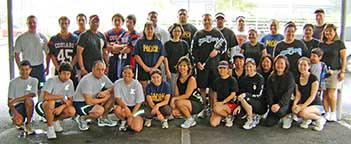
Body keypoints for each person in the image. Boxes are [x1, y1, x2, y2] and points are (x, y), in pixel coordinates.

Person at [192, 13, 226, 116]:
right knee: (202, 88)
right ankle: (204, 108)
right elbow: (193, 50)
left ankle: (212, 108)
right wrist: (197, 62)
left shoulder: (218, 33)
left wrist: (217, 51)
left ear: (212, 21)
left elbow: (224, 46)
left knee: (213, 88)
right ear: (202, 22)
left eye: (209, 20)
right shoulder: (198, 34)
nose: (207, 22)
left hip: (214, 66)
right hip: (202, 67)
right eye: (205, 20)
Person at [35, 63, 76, 139]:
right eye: (64, 73)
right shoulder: (52, 80)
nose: (66, 76)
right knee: (51, 101)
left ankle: (54, 120)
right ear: (59, 73)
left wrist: (61, 107)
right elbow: (46, 96)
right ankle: (50, 128)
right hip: (43, 105)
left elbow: (70, 100)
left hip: (58, 104)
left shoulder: (70, 82)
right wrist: (61, 97)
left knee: (71, 111)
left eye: (68, 74)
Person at [73, 61, 117, 131]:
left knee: (113, 94)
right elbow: (89, 101)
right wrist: (104, 99)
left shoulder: (103, 77)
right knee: (100, 110)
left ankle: (103, 119)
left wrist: (106, 92)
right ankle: (82, 118)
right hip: (81, 103)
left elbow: (114, 87)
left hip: (93, 99)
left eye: (102, 69)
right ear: (93, 69)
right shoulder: (87, 80)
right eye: (98, 69)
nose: (100, 72)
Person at [319, 24, 347, 122]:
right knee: (324, 93)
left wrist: (342, 71)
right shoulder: (321, 44)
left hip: (335, 71)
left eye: (330, 31)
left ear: (335, 32)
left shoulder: (339, 44)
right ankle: (326, 113)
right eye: (326, 31)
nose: (328, 33)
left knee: (331, 93)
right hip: (323, 72)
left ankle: (333, 113)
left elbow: (343, 59)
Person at [15, 15, 49, 90]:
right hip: (27, 68)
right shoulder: (21, 38)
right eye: (30, 23)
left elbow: (47, 53)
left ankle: (40, 102)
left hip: (40, 68)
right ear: (27, 24)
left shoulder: (42, 37)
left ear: (37, 23)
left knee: (42, 87)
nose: (32, 24)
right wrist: (20, 67)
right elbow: (17, 55)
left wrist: (47, 67)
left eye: (34, 22)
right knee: (28, 90)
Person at [292, 57, 326, 131]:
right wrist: (294, 104)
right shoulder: (297, 79)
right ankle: (308, 119)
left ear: (309, 66)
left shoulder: (313, 78)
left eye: (305, 65)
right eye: (300, 65)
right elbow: (298, 95)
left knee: (302, 113)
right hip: (305, 104)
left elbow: (312, 96)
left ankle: (320, 119)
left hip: (316, 105)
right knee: (295, 110)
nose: (302, 67)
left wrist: (302, 107)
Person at [133, 21, 166, 91]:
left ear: (154, 30)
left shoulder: (158, 42)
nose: (149, 30)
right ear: (144, 30)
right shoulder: (139, 42)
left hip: (156, 69)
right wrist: (145, 67)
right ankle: (144, 101)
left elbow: (162, 56)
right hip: (143, 69)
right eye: (147, 29)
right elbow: (136, 55)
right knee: (143, 89)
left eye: (151, 29)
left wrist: (155, 67)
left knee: (156, 87)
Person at [171, 56, 203, 128]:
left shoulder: (191, 79)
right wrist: (174, 106)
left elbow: (187, 95)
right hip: (186, 102)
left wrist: (174, 99)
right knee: (175, 112)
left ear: (188, 67)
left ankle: (190, 119)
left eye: (184, 65)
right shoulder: (177, 79)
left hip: (196, 102)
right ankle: (189, 115)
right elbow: (177, 95)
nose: (182, 67)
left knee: (178, 102)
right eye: (180, 65)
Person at [264, 55, 295, 129]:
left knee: (280, 112)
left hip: (284, 102)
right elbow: (269, 92)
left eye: (282, 63)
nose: (279, 65)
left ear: (285, 65)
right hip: (274, 104)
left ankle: (287, 115)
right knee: (269, 123)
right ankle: (279, 115)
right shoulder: (271, 76)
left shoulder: (289, 76)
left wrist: (279, 104)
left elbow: (288, 93)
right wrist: (271, 105)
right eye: (278, 63)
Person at [8, 60, 38, 135]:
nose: (24, 72)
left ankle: (28, 122)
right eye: (22, 69)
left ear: (30, 70)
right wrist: (15, 113)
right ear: (19, 69)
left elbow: (32, 94)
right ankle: (20, 121)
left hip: (27, 104)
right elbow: (9, 102)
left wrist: (17, 99)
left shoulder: (34, 80)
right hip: (16, 106)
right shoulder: (12, 82)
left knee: (29, 100)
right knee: (18, 122)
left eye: (26, 69)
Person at [47, 16, 79, 87]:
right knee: (58, 88)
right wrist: (57, 67)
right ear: (59, 24)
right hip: (59, 68)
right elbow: (51, 55)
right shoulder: (54, 39)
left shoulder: (75, 38)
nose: (64, 25)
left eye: (66, 23)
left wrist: (71, 65)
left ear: (69, 24)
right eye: (62, 23)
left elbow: (77, 54)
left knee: (72, 88)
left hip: (71, 68)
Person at [113, 65, 144, 132]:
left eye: (129, 73)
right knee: (117, 109)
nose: (127, 75)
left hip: (136, 108)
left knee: (136, 128)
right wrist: (127, 110)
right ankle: (123, 121)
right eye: (125, 73)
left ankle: (132, 121)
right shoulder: (117, 83)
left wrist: (131, 115)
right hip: (124, 107)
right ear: (122, 73)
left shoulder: (137, 84)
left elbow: (139, 102)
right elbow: (118, 99)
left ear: (133, 74)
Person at [236, 58, 266, 130]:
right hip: (245, 102)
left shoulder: (260, 78)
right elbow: (240, 93)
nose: (248, 68)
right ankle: (252, 114)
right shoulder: (243, 79)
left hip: (259, 103)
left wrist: (246, 95)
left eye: (250, 66)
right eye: (247, 66)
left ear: (254, 67)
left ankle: (250, 119)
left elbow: (259, 95)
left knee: (244, 98)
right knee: (238, 114)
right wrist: (239, 105)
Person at [210, 61, 238, 128]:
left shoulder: (232, 80)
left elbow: (233, 94)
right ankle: (224, 115)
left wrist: (223, 102)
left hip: (230, 103)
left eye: (224, 68)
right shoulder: (216, 81)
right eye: (220, 68)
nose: (222, 70)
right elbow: (215, 93)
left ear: (228, 69)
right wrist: (215, 103)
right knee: (213, 123)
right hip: (220, 104)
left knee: (216, 109)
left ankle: (229, 117)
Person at [164, 23, 189, 94]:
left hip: (182, 71)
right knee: (172, 90)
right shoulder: (167, 44)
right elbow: (165, 58)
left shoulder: (184, 44)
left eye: (179, 31)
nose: (177, 33)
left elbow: (186, 58)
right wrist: (167, 70)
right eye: (175, 31)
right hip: (171, 71)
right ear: (171, 32)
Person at [105, 13, 126, 82]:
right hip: (111, 58)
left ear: (122, 22)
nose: (117, 22)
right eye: (115, 20)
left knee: (121, 77)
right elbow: (106, 46)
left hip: (123, 58)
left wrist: (116, 47)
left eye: (119, 20)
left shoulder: (125, 33)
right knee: (111, 77)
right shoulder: (107, 33)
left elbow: (126, 46)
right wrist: (114, 48)